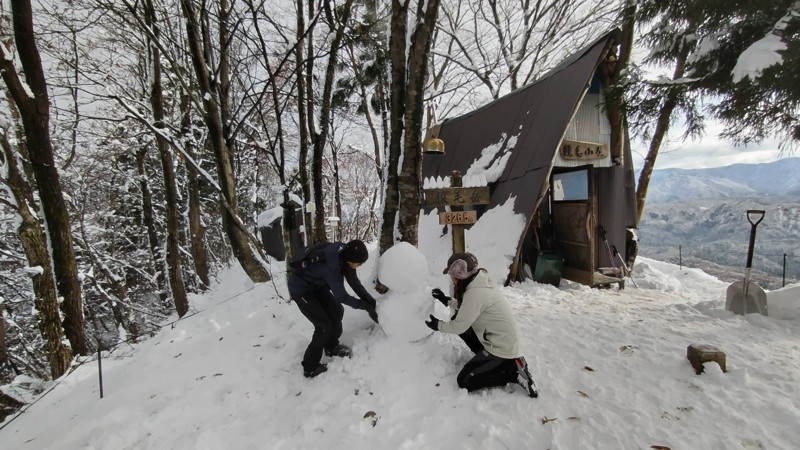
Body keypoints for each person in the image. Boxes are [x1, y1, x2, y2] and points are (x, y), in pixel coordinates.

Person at [425, 252, 538, 397]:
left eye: (453, 276)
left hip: (501, 348)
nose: (452, 280)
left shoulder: (475, 293)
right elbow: (468, 308)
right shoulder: (479, 282)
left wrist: (438, 325)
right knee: (460, 320)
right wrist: (446, 300)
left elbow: (459, 325)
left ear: (460, 274)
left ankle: (512, 372)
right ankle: (494, 360)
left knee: (464, 381)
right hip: (501, 340)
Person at [288, 239, 379, 378]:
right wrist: (365, 307)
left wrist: (370, 301)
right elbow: (342, 297)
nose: (360, 266)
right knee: (323, 326)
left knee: (337, 311)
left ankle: (331, 346)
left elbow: (355, 283)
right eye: (359, 263)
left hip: (316, 286)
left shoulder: (345, 258)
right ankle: (310, 367)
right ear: (351, 260)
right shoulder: (330, 267)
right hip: (301, 291)